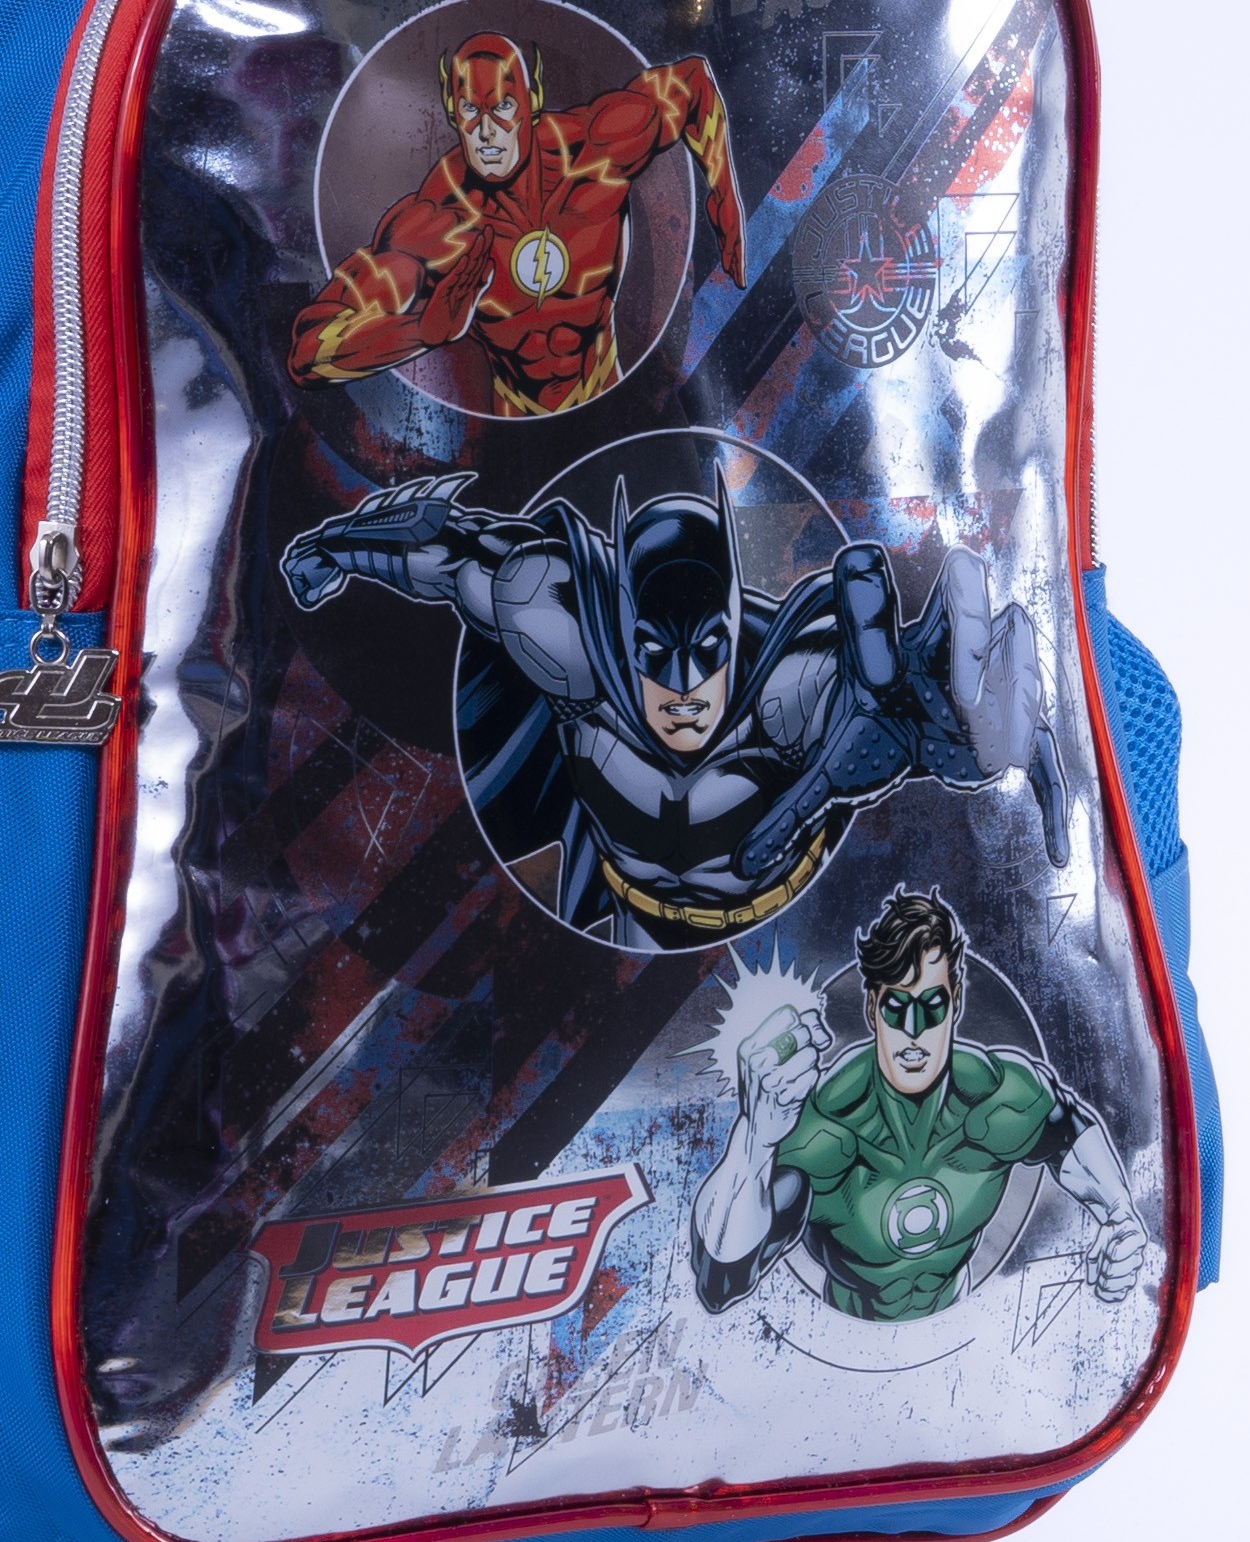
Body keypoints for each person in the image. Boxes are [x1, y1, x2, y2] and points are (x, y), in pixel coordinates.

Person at [278, 468, 1065, 945]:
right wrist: (334, 547)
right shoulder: (564, 637)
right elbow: (450, 551)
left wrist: (960, 732)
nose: (683, 684)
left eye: (708, 649)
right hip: (621, 926)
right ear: (622, 628)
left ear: (734, 623)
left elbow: (939, 708)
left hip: (777, 941)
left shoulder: (793, 689)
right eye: (656, 652)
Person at [688, 889, 1150, 1320]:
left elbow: (1068, 1130)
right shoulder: (828, 1128)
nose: (913, 1029)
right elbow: (720, 1282)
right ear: (872, 1009)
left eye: (932, 1005)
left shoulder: (995, 1099)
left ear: (956, 1002)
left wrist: (1121, 1218)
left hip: (967, 1330)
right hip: (851, 1342)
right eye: (896, 1006)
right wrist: (753, 1145)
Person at [290, 32, 747, 416]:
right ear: (452, 112)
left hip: (607, 389)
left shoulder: (595, 152)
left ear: (532, 102)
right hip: (518, 421)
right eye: (471, 111)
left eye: (503, 106)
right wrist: (418, 331)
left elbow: (692, 85)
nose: (487, 131)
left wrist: (725, 198)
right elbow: (308, 353)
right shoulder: (438, 222)